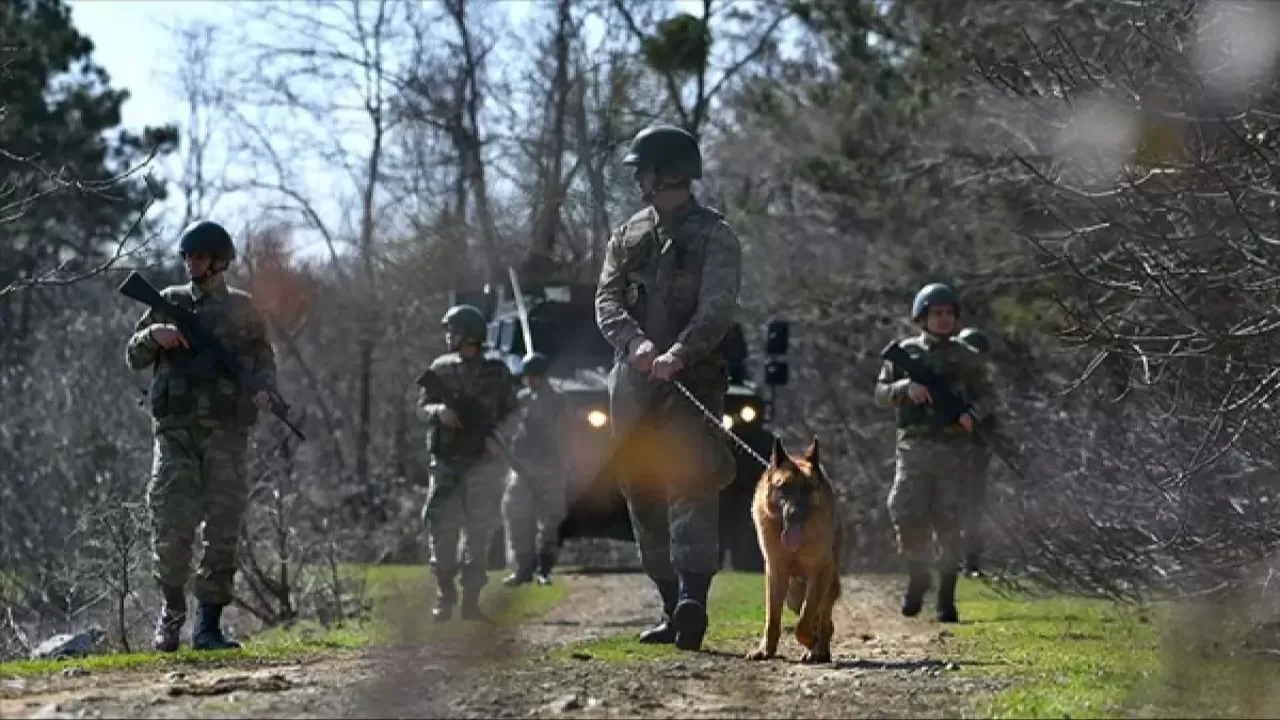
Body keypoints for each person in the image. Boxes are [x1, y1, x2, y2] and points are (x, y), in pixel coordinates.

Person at [594, 124, 742, 652]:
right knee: (640, 489)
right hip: (633, 385)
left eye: (643, 170)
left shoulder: (716, 236)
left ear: (664, 173)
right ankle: (668, 605)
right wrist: (634, 343)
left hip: (692, 381)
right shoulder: (628, 235)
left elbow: (718, 308)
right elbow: (606, 300)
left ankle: (693, 601)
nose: (638, 179)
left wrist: (680, 353)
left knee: (691, 482)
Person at [124, 220, 276, 652]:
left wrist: (265, 392)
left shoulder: (244, 310)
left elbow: (264, 361)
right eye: (188, 256)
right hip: (175, 433)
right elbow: (133, 356)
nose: (192, 263)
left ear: (220, 262)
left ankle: (208, 626)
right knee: (171, 522)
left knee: (224, 528)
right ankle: (172, 613)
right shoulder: (168, 302)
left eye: (201, 256)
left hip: (227, 434)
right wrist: (154, 336)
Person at [874, 283, 994, 624]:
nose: (943, 319)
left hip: (954, 450)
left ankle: (946, 598)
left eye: (948, 313)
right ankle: (918, 574)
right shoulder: (906, 352)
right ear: (922, 317)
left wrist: (972, 415)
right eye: (936, 313)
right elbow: (880, 393)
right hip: (914, 448)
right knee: (905, 511)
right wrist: (904, 388)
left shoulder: (968, 357)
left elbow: (988, 395)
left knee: (949, 523)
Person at [417, 304, 519, 622]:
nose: (448, 336)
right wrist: (439, 412)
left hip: (482, 464)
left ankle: (471, 601)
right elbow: (421, 407)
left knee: (479, 532)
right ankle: (444, 595)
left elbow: (513, 415)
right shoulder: (440, 368)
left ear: (467, 335)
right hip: (446, 462)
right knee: (442, 530)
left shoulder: (496, 372)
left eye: (452, 330)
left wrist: (498, 440)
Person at [501, 352, 569, 587]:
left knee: (550, 521)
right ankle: (522, 568)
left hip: (549, 466)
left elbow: (565, 432)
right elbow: (509, 426)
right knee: (516, 514)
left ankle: (544, 568)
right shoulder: (521, 399)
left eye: (535, 376)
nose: (531, 380)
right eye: (528, 376)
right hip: (522, 466)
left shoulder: (557, 400)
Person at [956, 326, 994, 578]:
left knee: (973, 509)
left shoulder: (983, 387)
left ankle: (971, 562)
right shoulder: (951, 382)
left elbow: (991, 419)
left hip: (975, 454)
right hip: (948, 452)